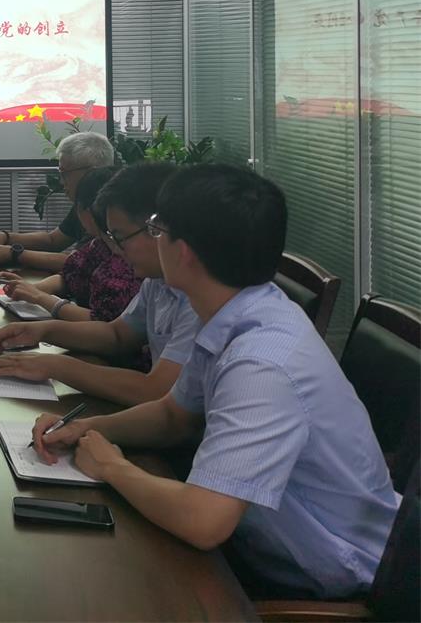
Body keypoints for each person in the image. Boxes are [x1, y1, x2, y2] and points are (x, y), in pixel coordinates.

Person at [31, 165, 400, 599]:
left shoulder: (261, 364)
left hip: (330, 580)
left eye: (157, 229)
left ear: (183, 252)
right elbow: (175, 417)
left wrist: (112, 467)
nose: (149, 240)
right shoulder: (238, 314)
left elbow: (203, 521)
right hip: (261, 541)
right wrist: (84, 428)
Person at [0, 163, 201, 407]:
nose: (116, 250)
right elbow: (116, 335)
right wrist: (43, 330)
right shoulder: (156, 281)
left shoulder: (199, 298)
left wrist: (56, 366)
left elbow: (155, 391)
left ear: (158, 229)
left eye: (120, 237)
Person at [0, 166, 144, 325]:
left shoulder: (126, 261)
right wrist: (33, 289)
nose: (62, 182)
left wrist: (41, 298)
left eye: (65, 174)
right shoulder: (98, 245)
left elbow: (103, 323)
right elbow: (70, 275)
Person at [0, 131, 114, 272]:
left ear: (91, 172)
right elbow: (52, 240)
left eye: (64, 173)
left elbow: (78, 263)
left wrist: (15, 253)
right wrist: (7, 237)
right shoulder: (85, 202)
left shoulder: (110, 209)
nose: (61, 182)